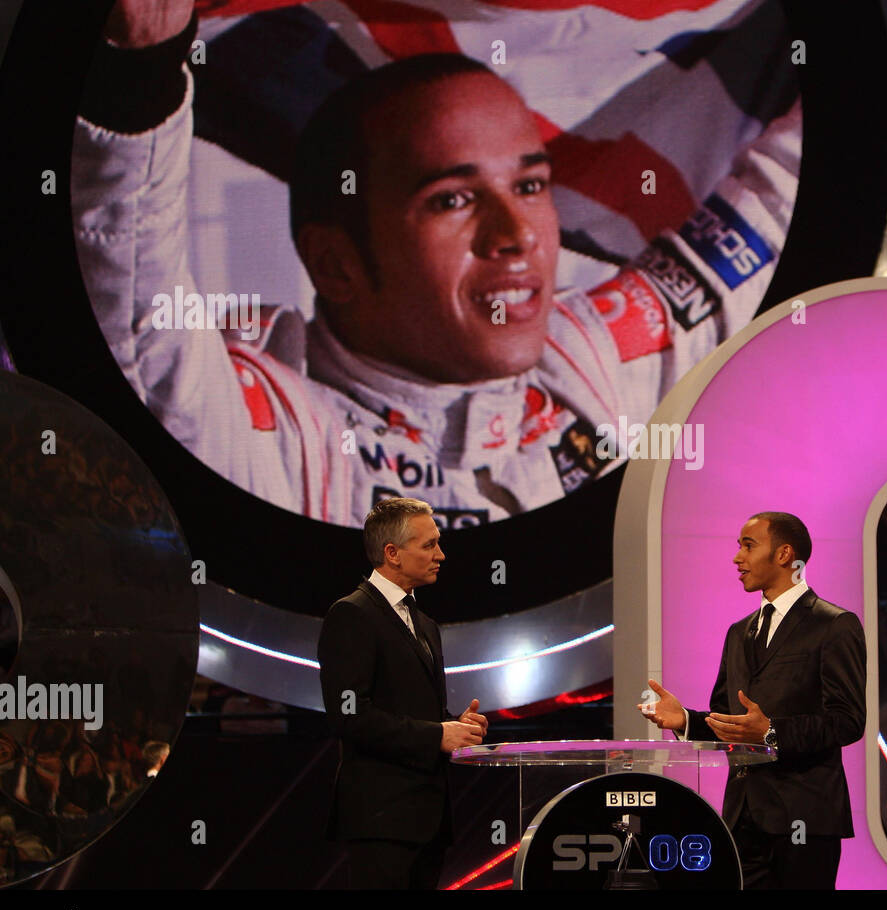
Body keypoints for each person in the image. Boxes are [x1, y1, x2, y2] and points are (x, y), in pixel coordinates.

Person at [72, 1, 800, 528]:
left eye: (530, 185)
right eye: (452, 199)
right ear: (336, 264)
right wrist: (139, 75)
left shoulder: (590, 369)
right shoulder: (274, 430)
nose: (516, 234)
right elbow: (133, 318)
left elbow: (774, 204)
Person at [641, 512, 867, 889]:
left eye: (748, 546)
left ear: (784, 555)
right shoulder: (738, 633)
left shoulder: (834, 624)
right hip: (743, 817)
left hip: (805, 820)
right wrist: (684, 720)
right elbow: (731, 721)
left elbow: (847, 721)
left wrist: (773, 732)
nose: (737, 558)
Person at [316, 496, 488, 889]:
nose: (440, 555)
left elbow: (416, 711)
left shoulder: (425, 624)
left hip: (428, 818)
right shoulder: (352, 614)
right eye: (429, 545)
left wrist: (456, 726)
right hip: (381, 820)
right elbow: (350, 716)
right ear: (392, 553)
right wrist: (437, 735)